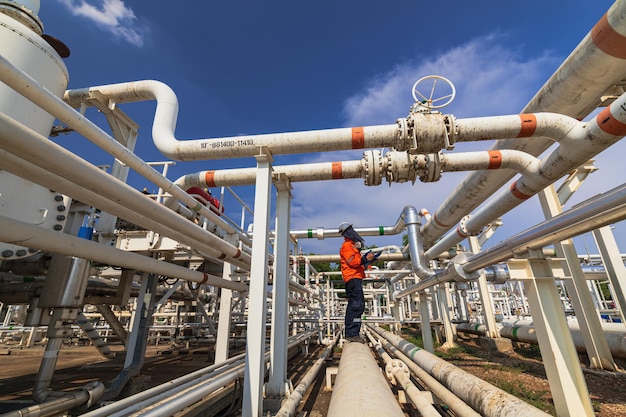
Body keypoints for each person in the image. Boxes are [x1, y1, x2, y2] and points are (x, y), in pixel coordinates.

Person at [338, 222, 375, 343]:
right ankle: (351, 333)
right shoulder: (347, 246)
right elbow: (353, 262)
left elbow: (356, 262)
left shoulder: (351, 246)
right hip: (352, 278)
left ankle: (354, 332)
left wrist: (365, 259)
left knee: (358, 305)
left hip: (354, 277)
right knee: (356, 305)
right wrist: (363, 257)